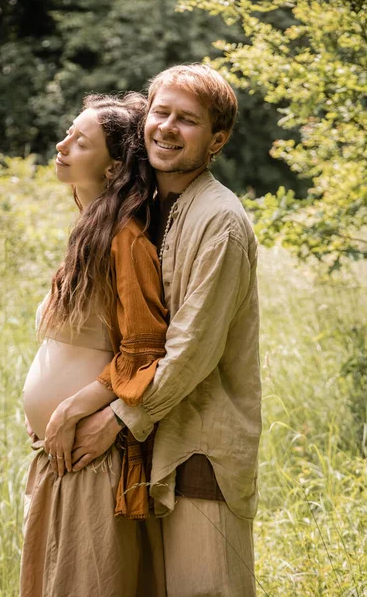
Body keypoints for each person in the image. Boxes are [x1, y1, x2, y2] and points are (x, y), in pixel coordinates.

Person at [70, 64, 262, 596]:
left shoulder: (219, 220)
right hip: (146, 448)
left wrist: (116, 417)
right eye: (161, 112)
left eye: (188, 120)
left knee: (205, 589)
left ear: (217, 139)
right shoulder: (148, 206)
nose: (168, 127)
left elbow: (191, 351)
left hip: (200, 449)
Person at [20, 93, 169, 596]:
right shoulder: (90, 231)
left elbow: (144, 349)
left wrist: (69, 411)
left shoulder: (125, 239)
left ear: (111, 170)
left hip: (92, 456)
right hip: (60, 458)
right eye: (69, 133)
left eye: (80, 142)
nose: (62, 146)